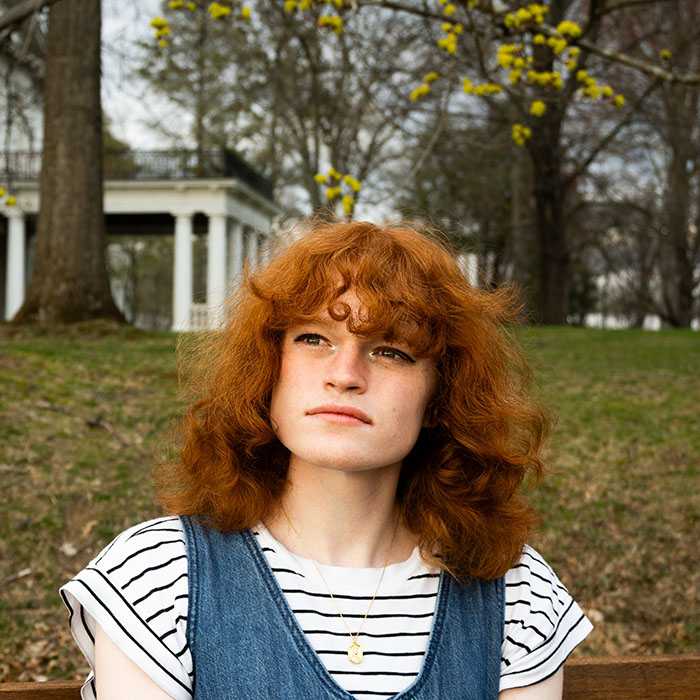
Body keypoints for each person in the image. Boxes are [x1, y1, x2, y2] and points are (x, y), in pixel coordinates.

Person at [61, 220, 592, 700]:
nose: (345, 375)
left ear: (439, 397)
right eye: (313, 338)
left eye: (391, 351)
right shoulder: (159, 576)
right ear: (267, 369)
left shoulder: (517, 590)